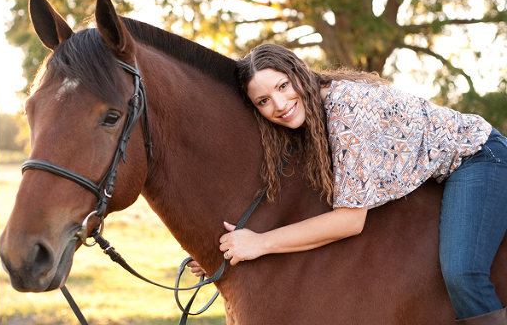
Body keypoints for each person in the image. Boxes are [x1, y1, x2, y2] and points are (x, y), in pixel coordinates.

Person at [188, 44, 507, 324]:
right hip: (436, 170)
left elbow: (350, 221)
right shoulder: (310, 116)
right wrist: (228, 250)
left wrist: (259, 243)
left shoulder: (346, 111)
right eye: (264, 101)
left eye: (283, 86)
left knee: (463, 275)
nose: (280, 104)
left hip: (478, 156)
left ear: (299, 72)